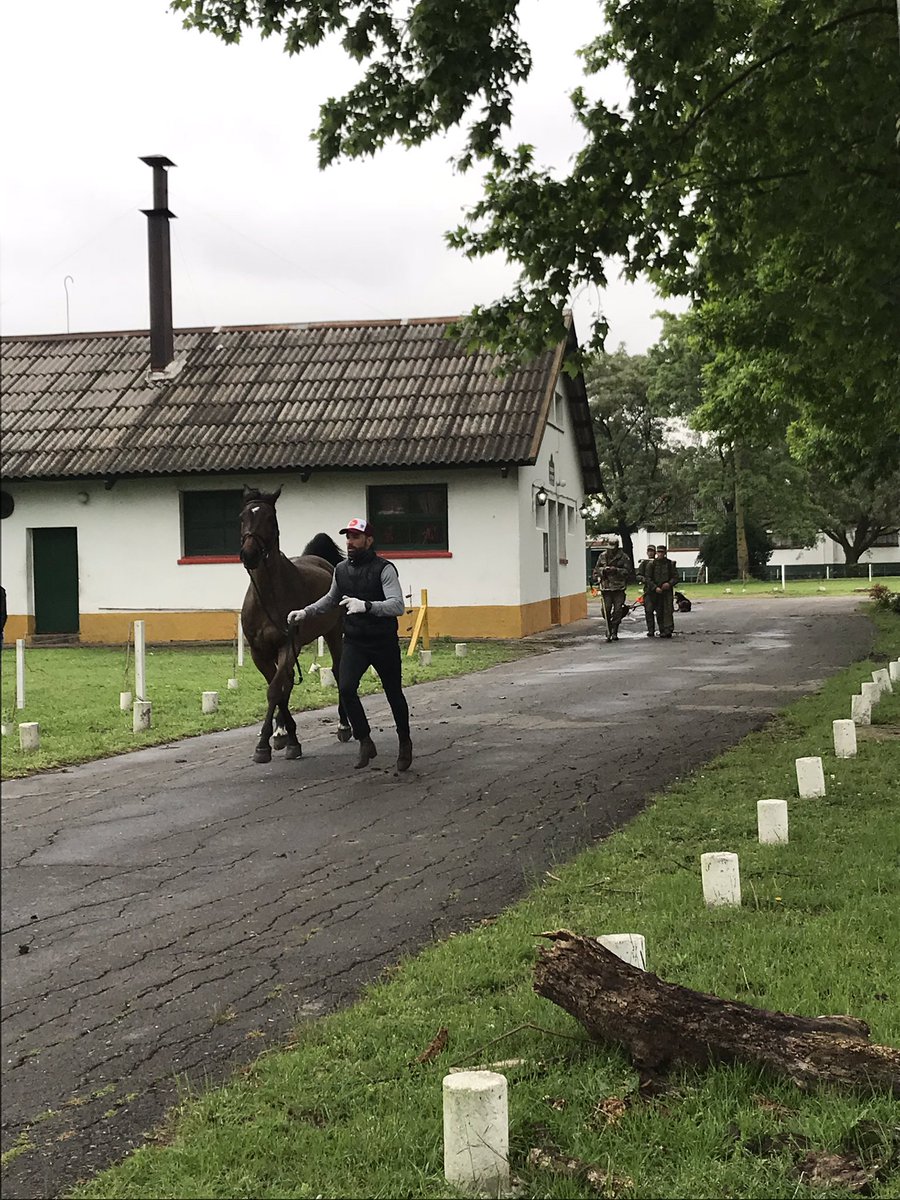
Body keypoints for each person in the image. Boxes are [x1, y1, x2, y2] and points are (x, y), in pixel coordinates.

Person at [287, 517, 412, 771]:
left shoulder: (384, 569)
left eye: (356, 537)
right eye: (348, 537)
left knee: (393, 694)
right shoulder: (341, 570)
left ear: (369, 540)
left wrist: (366, 606)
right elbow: (331, 599)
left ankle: (404, 742)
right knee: (345, 689)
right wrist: (305, 612)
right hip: (355, 641)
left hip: (382, 641)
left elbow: (397, 605)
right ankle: (365, 740)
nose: (350, 542)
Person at [596, 536, 632, 642]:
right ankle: (609, 626)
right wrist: (603, 570)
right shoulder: (602, 556)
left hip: (619, 588)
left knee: (618, 610)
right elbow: (596, 570)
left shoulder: (624, 557)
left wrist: (616, 570)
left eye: (613, 547)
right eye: (610, 547)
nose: (611, 549)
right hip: (606, 588)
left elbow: (628, 571)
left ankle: (614, 630)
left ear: (617, 546)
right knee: (605, 610)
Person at [643, 544, 679, 638]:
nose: (660, 554)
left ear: (665, 553)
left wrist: (669, 584)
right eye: (658, 552)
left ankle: (667, 630)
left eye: (662, 552)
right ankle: (659, 629)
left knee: (667, 610)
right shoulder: (651, 564)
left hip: (666, 591)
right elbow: (648, 578)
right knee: (657, 611)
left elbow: (675, 577)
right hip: (654, 591)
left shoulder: (670, 564)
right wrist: (655, 588)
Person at [635, 544, 657, 636]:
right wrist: (643, 579)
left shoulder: (659, 562)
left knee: (661, 611)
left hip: (659, 590)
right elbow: (638, 575)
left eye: (652, 551)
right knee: (648, 611)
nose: (650, 553)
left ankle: (663, 630)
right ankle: (651, 630)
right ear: (647, 552)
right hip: (648, 590)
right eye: (649, 551)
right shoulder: (644, 563)